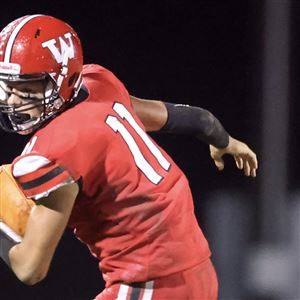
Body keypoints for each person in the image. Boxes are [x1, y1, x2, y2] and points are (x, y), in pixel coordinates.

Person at [0, 14, 257, 300]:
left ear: (64, 79)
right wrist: (221, 137)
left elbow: (30, 268)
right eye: (9, 86)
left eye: (27, 87)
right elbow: (195, 120)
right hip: (199, 273)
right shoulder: (99, 85)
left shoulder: (51, 152)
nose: (13, 100)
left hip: (149, 283)